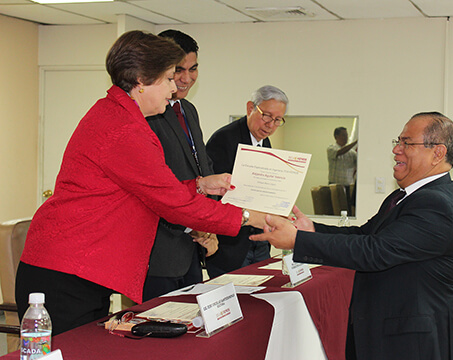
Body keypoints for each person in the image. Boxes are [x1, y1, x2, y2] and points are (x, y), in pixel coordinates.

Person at [15, 30, 264, 335]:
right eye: (169, 79)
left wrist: (198, 185)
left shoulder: (122, 116)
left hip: (82, 270)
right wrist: (250, 216)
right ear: (142, 82)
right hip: (65, 273)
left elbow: (145, 192)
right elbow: (174, 204)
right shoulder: (123, 130)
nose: (174, 89)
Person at [251, 112, 453, 360]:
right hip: (387, 332)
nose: (396, 150)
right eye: (398, 141)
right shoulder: (405, 197)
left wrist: (298, 241)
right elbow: (364, 235)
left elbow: (374, 252)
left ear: (437, 153)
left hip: (410, 341)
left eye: (407, 143)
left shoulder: (436, 205)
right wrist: (311, 230)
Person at [143, 30, 216, 302]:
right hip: (159, 253)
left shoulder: (189, 110)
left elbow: (201, 170)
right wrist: (194, 225)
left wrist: (208, 223)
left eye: (193, 69)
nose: (187, 78)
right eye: (179, 70)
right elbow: (155, 188)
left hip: (192, 251)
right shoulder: (150, 114)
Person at [205, 85, 288, 278]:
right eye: (267, 116)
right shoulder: (224, 139)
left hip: (257, 238)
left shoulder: (264, 142)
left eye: (277, 120)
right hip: (231, 244)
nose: (270, 125)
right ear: (250, 108)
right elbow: (213, 196)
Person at [327, 126, 357, 215]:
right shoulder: (331, 148)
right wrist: (355, 142)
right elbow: (340, 152)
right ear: (336, 137)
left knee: (347, 211)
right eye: (343, 135)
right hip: (334, 186)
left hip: (348, 186)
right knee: (334, 211)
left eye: (347, 135)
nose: (346, 137)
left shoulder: (352, 153)